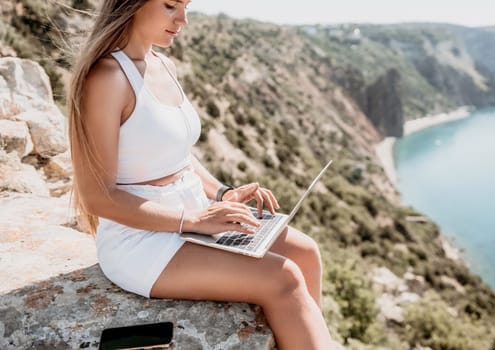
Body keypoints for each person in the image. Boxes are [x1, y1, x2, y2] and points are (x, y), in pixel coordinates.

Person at [67, 1, 342, 349]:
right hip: (143, 240)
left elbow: (178, 156)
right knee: (282, 276)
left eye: (186, 6)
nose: (182, 20)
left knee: (306, 253)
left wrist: (223, 194)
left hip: (193, 215)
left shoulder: (163, 65)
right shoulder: (108, 78)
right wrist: (193, 220)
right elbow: (97, 197)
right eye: (170, 5)